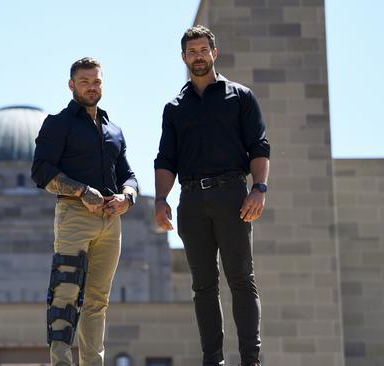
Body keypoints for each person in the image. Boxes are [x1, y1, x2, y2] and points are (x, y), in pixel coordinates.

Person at [154, 25, 270, 366]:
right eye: (192, 52)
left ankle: (250, 359)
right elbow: (165, 159)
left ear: (214, 53)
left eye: (203, 50)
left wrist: (259, 189)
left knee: (241, 278)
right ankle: (213, 360)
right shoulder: (174, 107)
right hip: (190, 201)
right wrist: (161, 200)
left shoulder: (241, 97)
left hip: (233, 195)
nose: (198, 56)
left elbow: (259, 147)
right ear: (183, 58)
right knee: (203, 285)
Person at [31, 57, 138, 366]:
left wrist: (127, 197)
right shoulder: (59, 123)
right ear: (71, 85)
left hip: (110, 220)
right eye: (85, 82)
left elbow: (129, 175)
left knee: (97, 301)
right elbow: (41, 172)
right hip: (74, 215)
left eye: (97, 81)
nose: (92, 87)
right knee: (64, 295)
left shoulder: (114, 130)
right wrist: (81, 190)